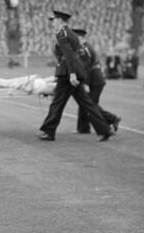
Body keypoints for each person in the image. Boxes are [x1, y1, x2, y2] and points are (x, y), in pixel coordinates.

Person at [37, 10, 115, 142]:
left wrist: (72, 74)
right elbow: (80, 55)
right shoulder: (71, 34)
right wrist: (77, 72)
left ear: (60, 20)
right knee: (86, 103)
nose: (53, 22)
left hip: (68, 73)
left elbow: (69, 54)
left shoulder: (62, 33)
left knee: (58, 103)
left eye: (54, 19)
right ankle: (104, 129)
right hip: (74, 72)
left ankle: (49, 131)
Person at [73, 28, 121, 134]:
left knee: (91, 105)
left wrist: (84, 84)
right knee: (85, 104)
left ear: (80, 38)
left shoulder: (85, 49)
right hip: (93, 80)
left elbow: (86, 68)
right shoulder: (83, 48)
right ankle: (83, 128)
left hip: (95, 81)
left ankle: (112, 119)